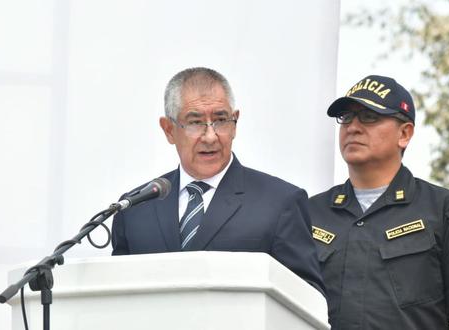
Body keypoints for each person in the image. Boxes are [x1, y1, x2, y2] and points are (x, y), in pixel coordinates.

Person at [111, 67, 325, 295]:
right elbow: (117, 298)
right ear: (169, 130)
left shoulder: (280, 203)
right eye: (195, 122)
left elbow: (309, 299)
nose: (211, 136)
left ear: (235, 123)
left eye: (221, 120)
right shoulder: (135, 208)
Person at [308, 74, 449, 329]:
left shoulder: (443, 209)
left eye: (369, 117)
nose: (353, 127)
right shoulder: (310, 212)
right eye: (346, 118)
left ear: (404, 133)